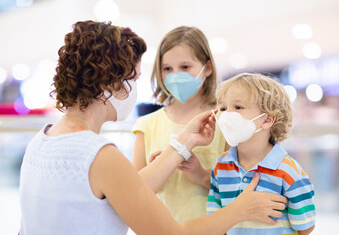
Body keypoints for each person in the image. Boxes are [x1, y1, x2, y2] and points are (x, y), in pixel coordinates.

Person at [18, 21, 288, 235]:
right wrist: (240, 210)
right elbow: (170, 231)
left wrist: (182, 144)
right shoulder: (100, 155)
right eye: (134, 78)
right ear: (114, 84)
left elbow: (129, 189)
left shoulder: (42, 140)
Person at [132, 26, 228, 222]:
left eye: (185, 67)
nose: (175, 75)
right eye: (168, 68)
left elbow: (238, 187)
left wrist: (201, 175)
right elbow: (135, 194)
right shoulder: (146, 125)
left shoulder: (225, 121)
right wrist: (158, 170)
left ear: (207, 68)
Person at [207, 73, 316, 235]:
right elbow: (215, 218)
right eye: (223, 108)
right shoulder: (221, 166)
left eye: (238, 107)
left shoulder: (288, 170)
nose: (226, 114)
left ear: (266, 120)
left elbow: (306, 226)